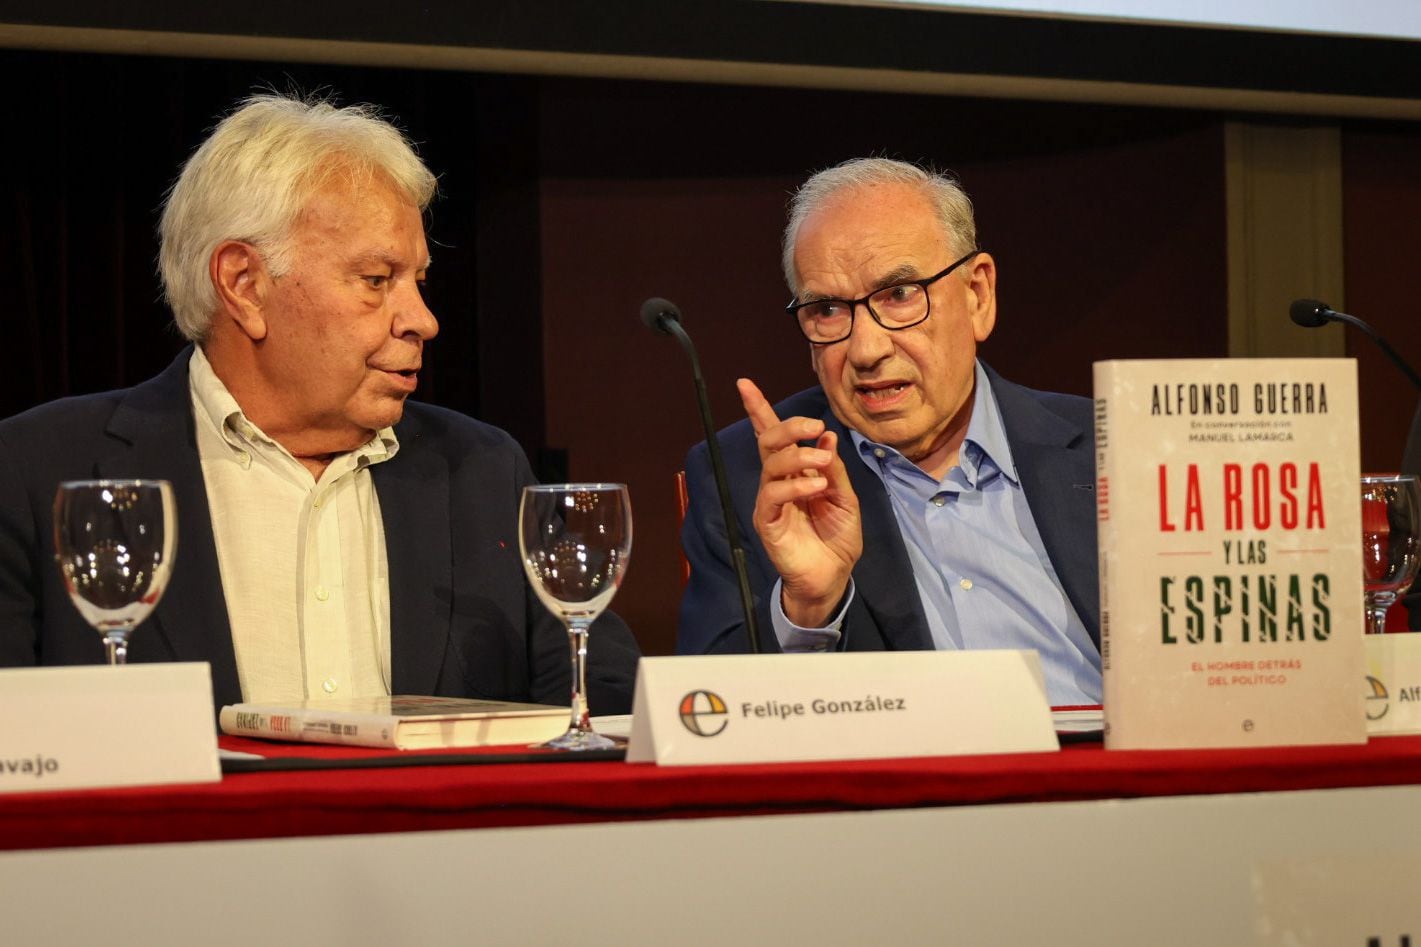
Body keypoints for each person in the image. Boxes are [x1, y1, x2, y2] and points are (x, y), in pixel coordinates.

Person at [0, 93, 640, 714]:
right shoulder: (37, 470)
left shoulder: (483, 469)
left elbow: (603, 704)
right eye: (375, 280)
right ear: (245, 286)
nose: (423, 320)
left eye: (417, 281)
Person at [677, 157, 1100, 706]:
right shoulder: (751, 477)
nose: (867, 350)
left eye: (900, 295)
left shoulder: (1109, 446)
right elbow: (705, 713)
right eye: (827, 309)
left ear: (977, 295)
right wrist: (806, 609)